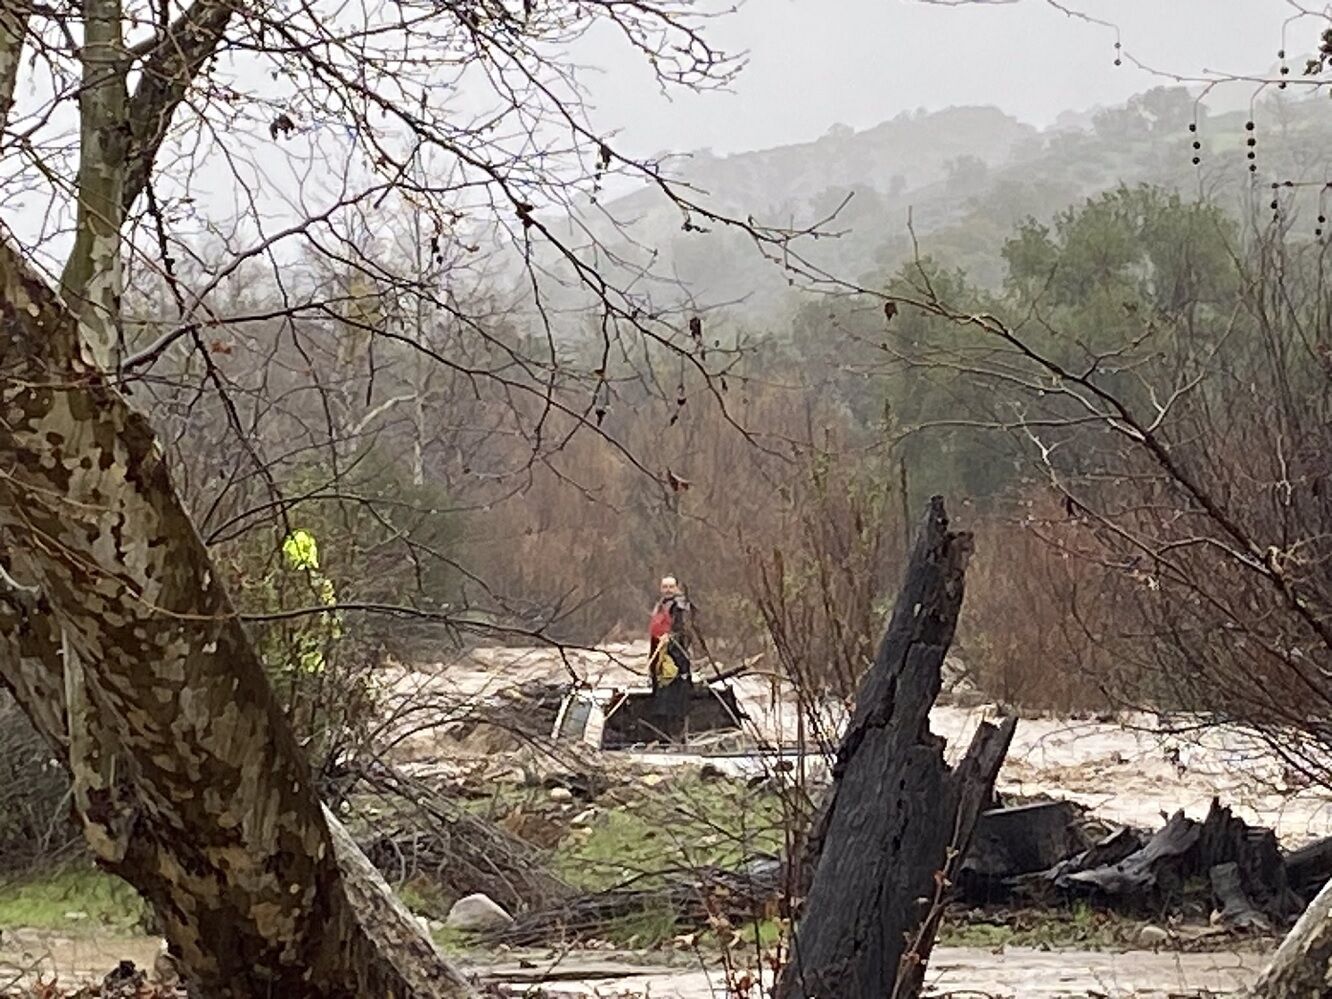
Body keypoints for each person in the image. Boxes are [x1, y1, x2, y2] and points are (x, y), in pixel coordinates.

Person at [648, 575, 693, 695]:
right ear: (661, 589)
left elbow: (685, 629)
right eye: (665, 587)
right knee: (657, 673)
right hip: (658, 646)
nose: (668, 590)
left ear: (676, 588)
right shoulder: (659, 604)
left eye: (671, 587)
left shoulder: (681, 606)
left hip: (676, 649)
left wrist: (671, 637)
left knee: (674, 675)